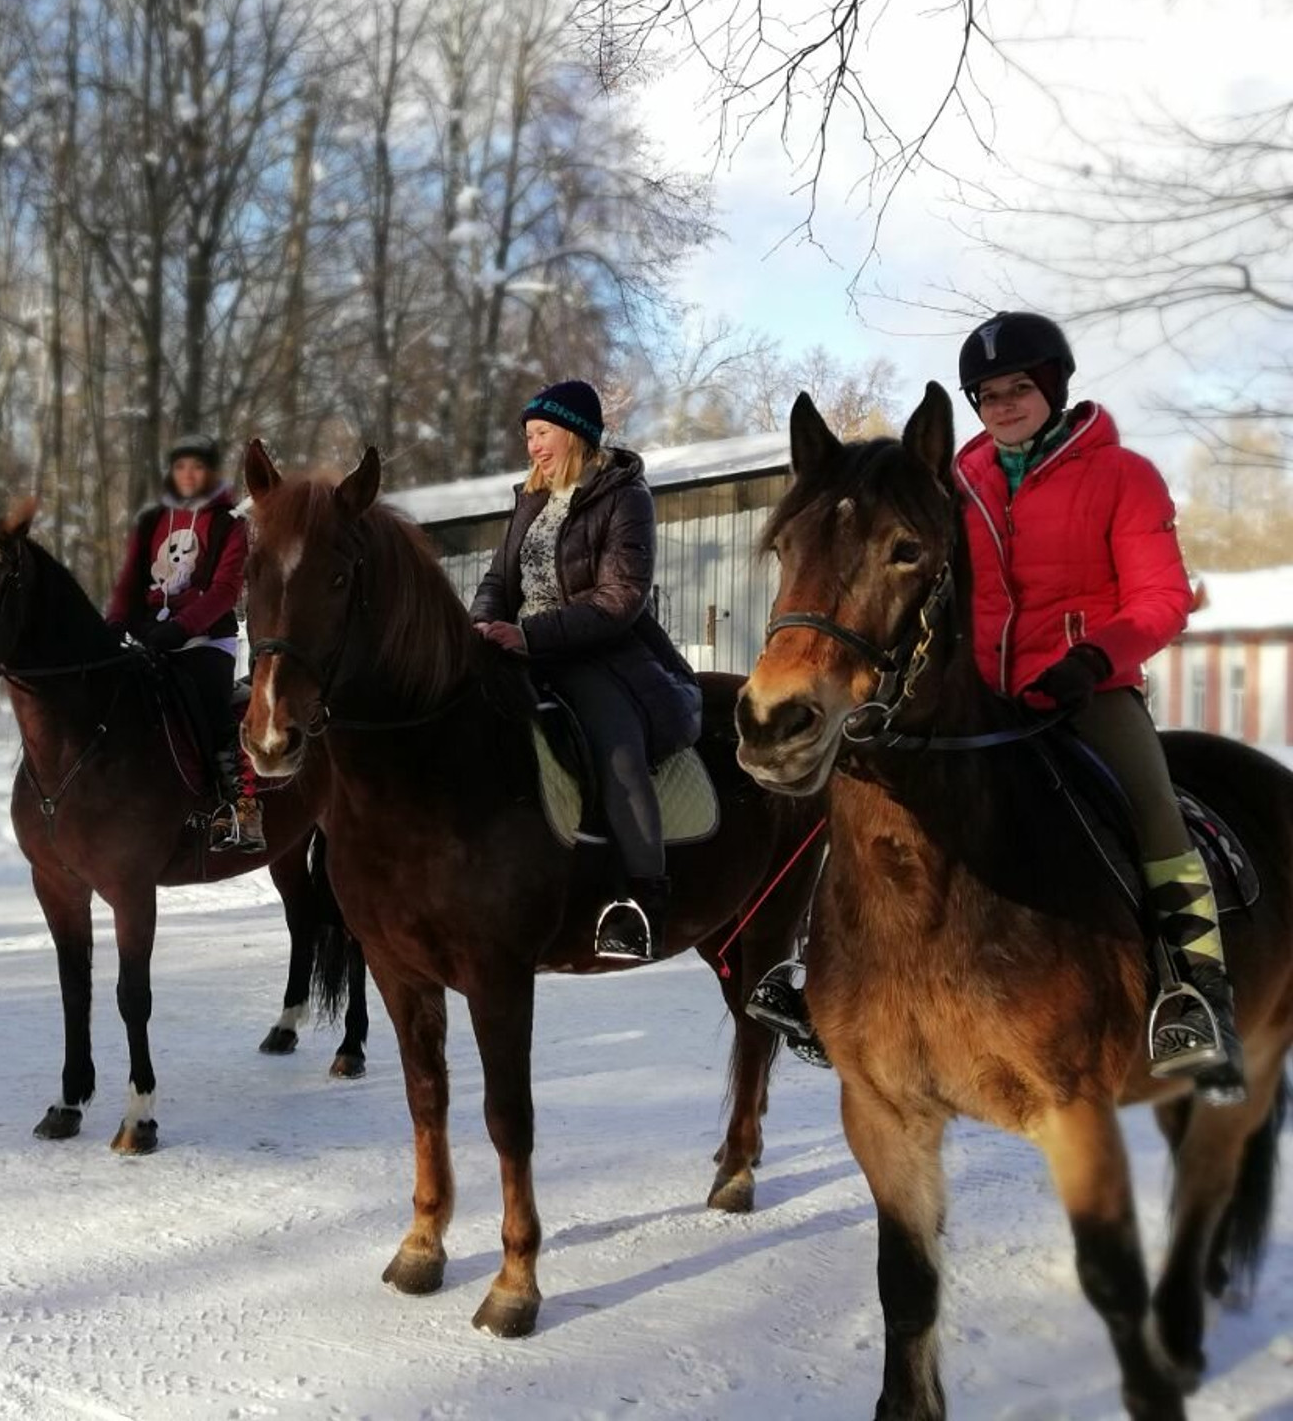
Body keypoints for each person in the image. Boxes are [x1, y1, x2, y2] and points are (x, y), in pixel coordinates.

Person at [751, 313, 1241, 1103]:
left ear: (1053, 387)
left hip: (1083, 691)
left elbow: (1162, 598)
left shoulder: (1122, 476)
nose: (1004, 404)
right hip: (969, 692)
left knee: (1154, 810)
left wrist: (1095, 656)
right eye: (988, 394)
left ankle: (1196, 994)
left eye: (1019, 389)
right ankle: (817, 974)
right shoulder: (954, 481)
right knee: (855, 790)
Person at [470, 380, 703, 960]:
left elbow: (620, 598)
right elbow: (499, 581)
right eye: (528, 436)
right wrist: (478, 627)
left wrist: (530, 634)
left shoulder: (626, 497)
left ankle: (645, 898)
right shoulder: (529, 498)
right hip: (518, 647)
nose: (534, 447)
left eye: (542, 433)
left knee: (615, 749)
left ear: (574, 433)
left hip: (598, 652)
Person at [104, 434, 262, 852]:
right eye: (180, 467)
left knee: (207, 703)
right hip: (152, 635)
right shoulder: (151, 520)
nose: (188, 475)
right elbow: (130, 580)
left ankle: (241, 810)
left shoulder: (230, 524)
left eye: (197, 467)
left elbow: (226, 590)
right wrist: (117, 621)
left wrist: (182, 628)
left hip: (208, 639)